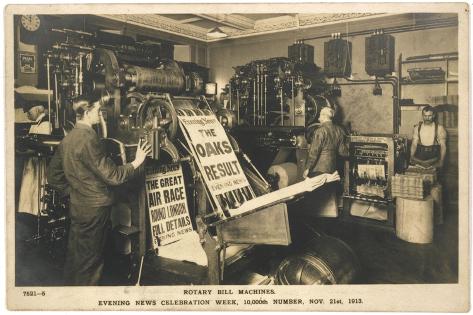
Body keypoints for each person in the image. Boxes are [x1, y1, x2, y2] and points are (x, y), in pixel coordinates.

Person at [47, 95, 151, 286]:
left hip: (78, 207)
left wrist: (75, 192)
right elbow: (112, 176)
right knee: (91, 261)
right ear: (86, 113)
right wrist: (137, 161)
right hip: (95, 210)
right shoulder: (89, 138)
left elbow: (53, 177)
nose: (100, 114)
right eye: (96, 110)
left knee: (76, 256)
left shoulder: (68, 139)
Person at [302, 107, 349, 217]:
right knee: (328, 197)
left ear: (324, 116)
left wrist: (307, 168)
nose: (318, 118)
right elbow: (343, 152)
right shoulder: (339, 130)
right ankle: (329, 218)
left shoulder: (320, 131)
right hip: (331, 168)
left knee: (316, 199)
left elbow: (314, 152)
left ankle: (314, 219)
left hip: (318, 169)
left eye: (319, 116)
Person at [18, 102, 52, 216]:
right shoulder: (36, 123)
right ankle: (31, 214)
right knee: (30, 190)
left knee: (38, 189)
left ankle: (39, 214)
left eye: (29, 111)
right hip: (32, 162)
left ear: (38, 110)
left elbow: (43, 146)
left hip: (40, 163)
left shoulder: (46, 123)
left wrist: (26, 151)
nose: (27, 114)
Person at [410, 105, 447, 169]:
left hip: (433, 158)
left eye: (429, 116)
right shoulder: (417, 128)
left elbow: (443, 146)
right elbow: (414, 144)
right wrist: (411, 156)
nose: (427, 118)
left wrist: (441, 161)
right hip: (420, 157)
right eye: (425, 116)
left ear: (433, 116)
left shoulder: (440, 128)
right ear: (422, 116)